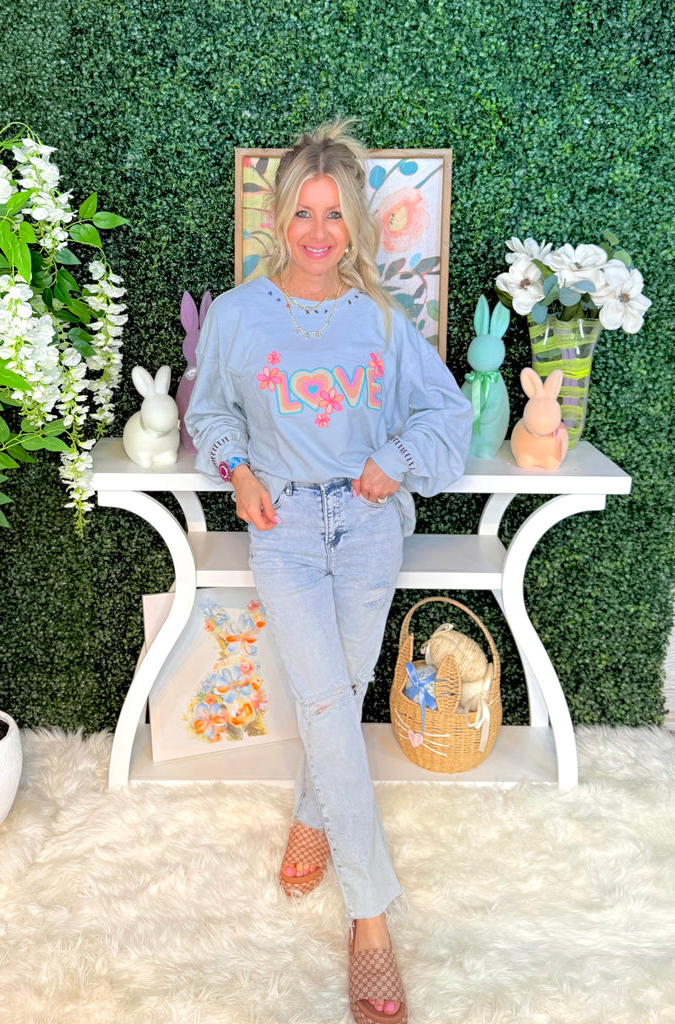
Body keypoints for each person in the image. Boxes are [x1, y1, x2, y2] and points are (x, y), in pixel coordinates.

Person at [185, 120, 472, 1024]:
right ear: (279, 220)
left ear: (356, 225)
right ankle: (371, 918)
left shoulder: (383, 321)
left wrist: (396, 459)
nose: (318, 233)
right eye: (303, 214)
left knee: (334, 696)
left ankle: (314, 815)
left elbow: (448, 416)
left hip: (368, 521)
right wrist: (237, 470)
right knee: (326, 698)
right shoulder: (239, 316)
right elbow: (210, 411)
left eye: (334, 214)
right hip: (285, 528)